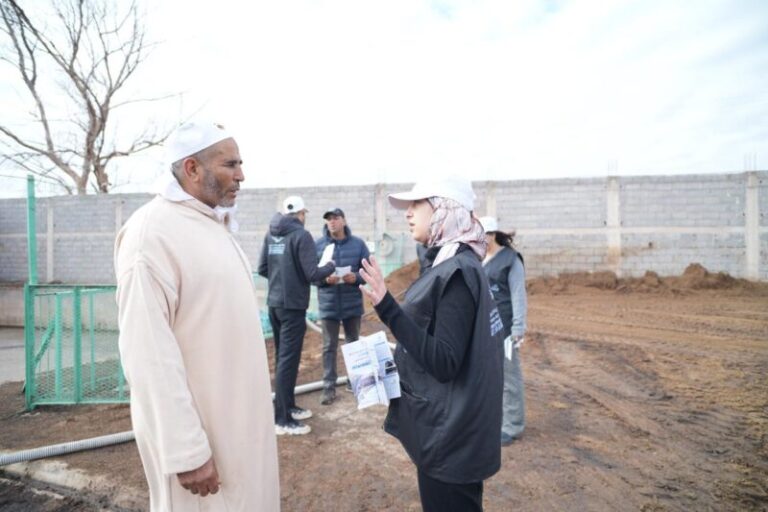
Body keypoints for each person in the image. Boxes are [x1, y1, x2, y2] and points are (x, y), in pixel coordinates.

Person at [114, 121, 279, 511]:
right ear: (191, 168)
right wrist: (185, 449)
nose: (241, 175)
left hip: (240, 432)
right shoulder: (150, 235)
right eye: (230, 165)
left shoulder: (211, 226)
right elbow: (147, 354)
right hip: (203, 447)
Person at [359, 177, 504, 512]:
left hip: (451, 441)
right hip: (456, 435)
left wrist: (386, 306)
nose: (408, 214)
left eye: (416, 205)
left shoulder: (456, 270)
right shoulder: (455, 261)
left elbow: (444, 361)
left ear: (443, 209)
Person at [258, 195, 335, 435]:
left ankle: (288, 406)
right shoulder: (302, 236)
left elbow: (262, 268)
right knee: (288, 362)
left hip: (275, 304)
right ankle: (282, 420)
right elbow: (313, 273)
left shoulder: (271, 233)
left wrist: (283, 278)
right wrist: (330, 266)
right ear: (302, 214)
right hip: (292, 307)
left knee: (284, 360)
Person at [479, 216, 528, 446]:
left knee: (509, 378)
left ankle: (513, 426)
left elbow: (518, 295)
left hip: (506, 328)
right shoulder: (479, 258)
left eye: (486, 234)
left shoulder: (510, 260)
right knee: (489, 377)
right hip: (485, 329)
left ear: (494, 234)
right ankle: (497, 420)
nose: (483, 238)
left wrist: (518, 327)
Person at [314, 208, 370, 405]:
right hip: (328, 304)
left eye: (335, 218)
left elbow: (366, 272)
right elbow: (311, 275)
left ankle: (355, 383)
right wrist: (324, 279)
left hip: (351, 304)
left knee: (353, 344)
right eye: (328, 219)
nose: (332, 222)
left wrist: (355, 277)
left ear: (344, 221)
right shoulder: (319, 246)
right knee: (329, 346)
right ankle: (328, 388)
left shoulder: (358, 245)